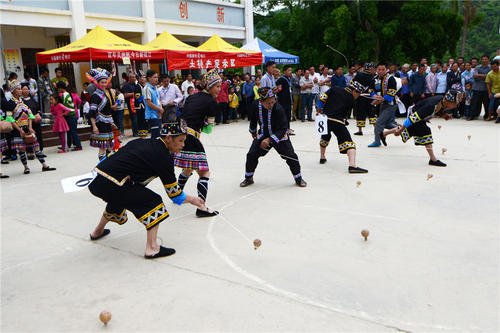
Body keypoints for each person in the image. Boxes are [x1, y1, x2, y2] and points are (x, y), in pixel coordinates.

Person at [88, 120, 205, 259]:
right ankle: (152, 248)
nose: (183, 145)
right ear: (168, 138)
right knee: (153, 202)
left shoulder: (142, 142)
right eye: (180, 141)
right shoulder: (163, 157)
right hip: (112, 182)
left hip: (95, 178)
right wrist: (194, 200)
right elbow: (175, 195)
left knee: (120, 197)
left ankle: (97, 231)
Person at [173, 68, 221, 218]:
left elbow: (184, 115)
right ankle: (201, 206)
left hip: (178, 135)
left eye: (220, 86)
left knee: (188, 167)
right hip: (192, 136)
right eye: (217, 86)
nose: (219, 89)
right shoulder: (212, 101)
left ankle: (176, 194)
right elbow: (208, 127)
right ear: (208, 86)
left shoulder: (191, 96)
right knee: (204, 171)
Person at [240, 87, 306, 187]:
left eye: (272, 101)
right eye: (268, 103)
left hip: (280, 135)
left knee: (291, 156)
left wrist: (270, 139)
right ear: (261, 101)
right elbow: (253, 120)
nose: (271, 105)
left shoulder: (278, 108)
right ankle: (249, 178)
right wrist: (253, 132)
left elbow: (284, 128)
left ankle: (298, 178)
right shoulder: (255, 105)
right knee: (251, 155)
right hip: (263, 134)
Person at [382, 90, 463, 167]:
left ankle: (384, 134)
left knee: (410, 130)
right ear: (447, 101)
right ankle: (433, 159)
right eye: (455, 103)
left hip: (420, 116)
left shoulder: (442, 102)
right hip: (414, 114)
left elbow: (438, 110)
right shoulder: (431, 106)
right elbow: (412, 118)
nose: (456, 105)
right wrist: (400, 130)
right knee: (425, 131)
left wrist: (444, 115)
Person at [317, 78, 369, 173]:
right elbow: (344, 115)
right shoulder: (351, 99)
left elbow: (322, 98)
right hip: (337, 122)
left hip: (325, 120)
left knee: (325, 137)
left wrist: (320, 109)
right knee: (349, 143)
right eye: (358, 93)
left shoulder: (335, 88)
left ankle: (322, 157)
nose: (358, 95)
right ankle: (352, 165)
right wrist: (344, 120)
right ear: (354, 91)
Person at [3, 81, 56, 174]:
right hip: (17, 130)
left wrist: (30, 127)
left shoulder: (23, 101)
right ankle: (26, 167)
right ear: (13, 91)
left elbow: (30, 115)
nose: (20, 91)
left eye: (20, 89)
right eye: (18, 89)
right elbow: (10, 119)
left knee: (36, 146)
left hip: (27, 128)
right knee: (22, 149)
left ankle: (44, 165)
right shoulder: (10, 103)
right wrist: (19, 129)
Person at [87, 68, 118, 160]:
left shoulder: (105, 94)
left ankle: (109, 166)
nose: (104, 84)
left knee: (109, 147)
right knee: (102, 147)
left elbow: (108, 111)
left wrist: (112, 123)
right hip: (100, 123)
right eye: (102, 82)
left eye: (105, 82)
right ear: (97, 83)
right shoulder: (95, 96)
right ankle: (101, 166)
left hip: (107, 123)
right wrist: (94, 126)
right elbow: (92, 113)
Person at [368, 63, 398, 147]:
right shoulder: (374, 78)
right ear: (376, 70)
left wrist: (380, 100)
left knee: (378, 123)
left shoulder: (390, 79)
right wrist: (374, 96)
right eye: (379, 69)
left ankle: (377, 141)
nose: (380, 71)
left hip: (391, 104)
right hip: (381, 104)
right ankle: (403, 128)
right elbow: (370, 90)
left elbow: (392, 92)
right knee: (387, 124)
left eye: (383, 69)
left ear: (386, 69)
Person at [57, 82, 83, 151]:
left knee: (73, 132)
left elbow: (67, 108)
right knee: (70, 131)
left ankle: (78, 146)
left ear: (60, 88)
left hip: (70, 115)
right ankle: (67, 145)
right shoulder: (68, 94)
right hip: (73, 115)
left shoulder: (64, 96)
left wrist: (63, 114)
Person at [354, 62, 377, 136]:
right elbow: (372, 89)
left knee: (360, 113)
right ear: (371, 69)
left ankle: (360, 130)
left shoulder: (359, 75)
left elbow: (354, 85)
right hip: (369, 97)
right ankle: (375, 129)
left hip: (360, 96)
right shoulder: (373, 77)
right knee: (371, 113)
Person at [21, 83, 43, 153]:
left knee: (38, 135)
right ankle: (30, 152)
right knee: (28, 137)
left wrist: (38, 114)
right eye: (24, 89)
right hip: (27, 122)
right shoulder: (21, 101)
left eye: (27, 89)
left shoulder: (33, 100)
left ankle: (39, 150)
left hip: (35, 121)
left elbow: (38, 109)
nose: (25, 91)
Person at [469, 55, 491, 120]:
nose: (484, 60)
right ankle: (472, 116)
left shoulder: (490, 68)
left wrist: (480, 75)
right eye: (483, 59)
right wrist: (484, 76)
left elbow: (489, 77)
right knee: (474, 103)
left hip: (485, 88)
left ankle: (486, 116)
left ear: (488, 60)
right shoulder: (477, 67)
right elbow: (475, 76)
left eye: (485, 59)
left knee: (486, 103)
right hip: (477, 88)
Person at [143, 70, 163, 139]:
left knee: (159, 135)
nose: (156, 79)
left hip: (158, 114)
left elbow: (158, 100)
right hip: (151, 115)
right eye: (154, 77)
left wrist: (160, 109)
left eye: (157, 77)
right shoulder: (147, 88)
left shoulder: (156, 88)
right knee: (155, 135)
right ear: (149, 78)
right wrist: (159, 109)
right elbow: (149, 103)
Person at [135, 70, 149, 138]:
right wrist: (145, 97)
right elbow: (138, 98)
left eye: (144, 77)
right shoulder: (137, 86)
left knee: (145, 120)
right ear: (139, 79)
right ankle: (142, 135)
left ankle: (145, 133)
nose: (144, 79)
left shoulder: (145, 86)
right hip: (140, 107)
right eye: (142, 77)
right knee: (141, 120)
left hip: (145, 106)